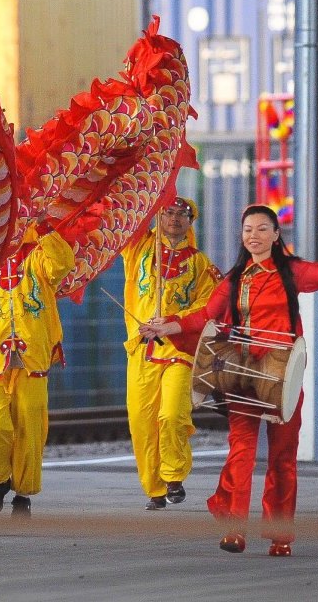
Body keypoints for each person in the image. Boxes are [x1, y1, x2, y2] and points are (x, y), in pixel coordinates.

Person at [140, 204, 318, 557]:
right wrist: (168, 324)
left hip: (282, 374)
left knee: (283, 456)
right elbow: (205, 316)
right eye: (248, 229)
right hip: (242, 372)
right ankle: (235, 529)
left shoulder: (292, 272)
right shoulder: (234, 279)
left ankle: (280, 535)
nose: (254, 236)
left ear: (275, 234)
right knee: (242, 450)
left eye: (262, 229)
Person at [120, 196, 219, 510]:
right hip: (142, 351)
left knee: (173, 414)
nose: (175, 219)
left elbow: (208, 307)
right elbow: (131, 220)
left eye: (182, 215)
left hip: (180, 349)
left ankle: (174, 474)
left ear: (191, 222)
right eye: (169, 213)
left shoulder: (200, 263)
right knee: (142, 422)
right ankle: (156, 489)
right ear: (158, 217)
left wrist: (174, 322)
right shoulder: (138, 251)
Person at [0, 218, 76, 519]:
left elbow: (63, 262)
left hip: (32, 358)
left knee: (29, 429)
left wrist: (42, 227)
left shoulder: (39, 259)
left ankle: (23, 492)